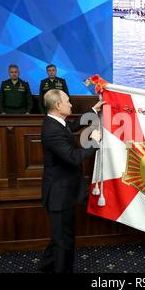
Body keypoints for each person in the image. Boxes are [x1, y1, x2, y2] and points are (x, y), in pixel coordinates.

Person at [38, 89, 104, 273]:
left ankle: (45, 267)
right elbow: (73, 157)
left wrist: (93, 110)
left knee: (60, 236)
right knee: (64, 242)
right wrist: (94, 141)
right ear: (58, 105)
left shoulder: (57, 122)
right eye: (68, 101)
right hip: (59, 195)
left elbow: (73, 126)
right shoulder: (52, 130)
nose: (71, 104)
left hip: (63, 191)